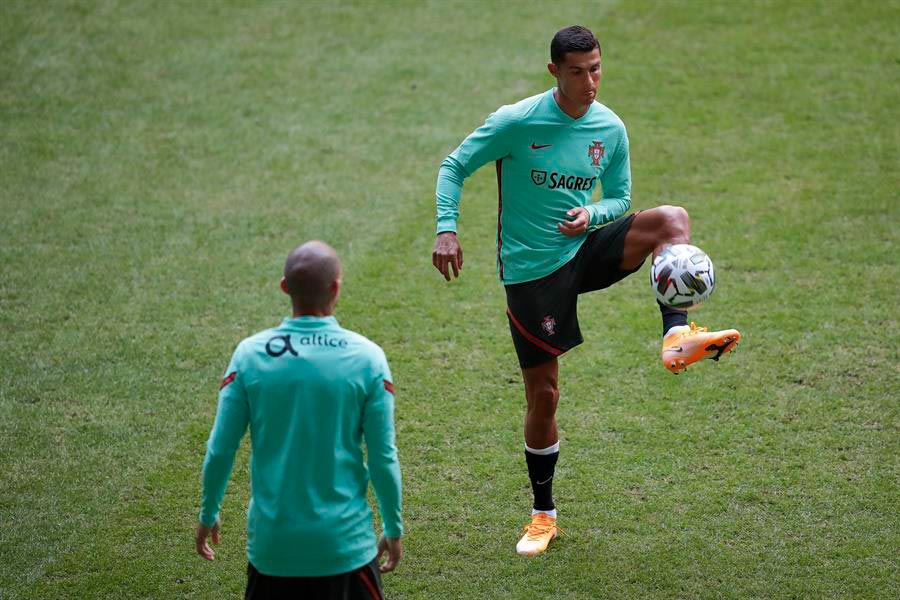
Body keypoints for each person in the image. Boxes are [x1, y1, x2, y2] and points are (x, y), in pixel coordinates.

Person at [431, 25, 740, 557]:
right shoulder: (518, 121)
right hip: (532, 271)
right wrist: (446, 228)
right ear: (554, 72)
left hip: (584, 247)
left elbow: (620, 197)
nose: (591, 81)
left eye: (596, 68)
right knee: (545, 394)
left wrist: (592, 213)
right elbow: (455, 165)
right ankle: (543, 515)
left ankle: (676, 337)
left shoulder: (610, 127)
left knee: (672, 219)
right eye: (578, 72)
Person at [195, 241, 403, 599]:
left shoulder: (249, 356)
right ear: (336, 288)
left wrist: (209, 510)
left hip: (273, 552)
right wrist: (393, 526)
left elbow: (220, 448)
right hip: (345, 548)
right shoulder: (367, 358)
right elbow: (383, 457)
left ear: (284, 287)